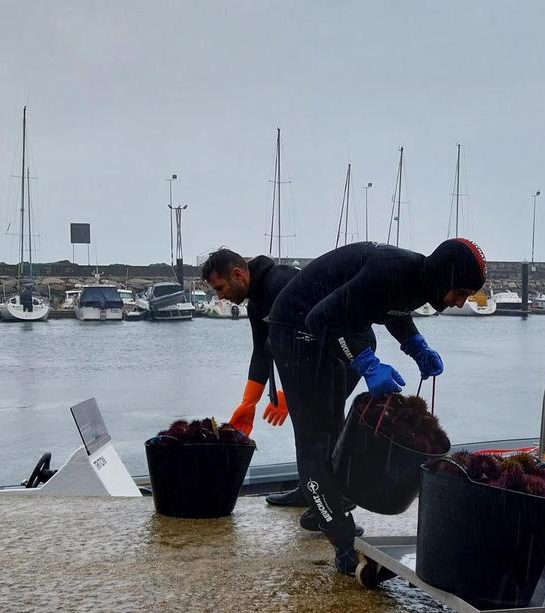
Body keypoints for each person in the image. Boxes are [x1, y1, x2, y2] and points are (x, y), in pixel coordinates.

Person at [266, 238, 486, 574]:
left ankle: (320, 507)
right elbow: (319, 318)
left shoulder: (419, 280)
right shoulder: (390, 270)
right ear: (445, 277)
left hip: (329, 325)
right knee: (315, 437)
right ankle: (340, 537)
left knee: (333, 421)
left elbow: (391, 310)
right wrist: (367, 364)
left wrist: (415, 345)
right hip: (296, 327)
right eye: (460, 293)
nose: (460, 303)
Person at [201, 248, 297, 452]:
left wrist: (292, 393)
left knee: (319, 433)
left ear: (238, 275)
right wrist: (248, 403)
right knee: (313, 434)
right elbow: (262, 352)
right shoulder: (256, 305)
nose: (220, 296)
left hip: (346, 353)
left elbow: (312, 341)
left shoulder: (281, 283)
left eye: (220, 288)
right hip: (320, 368)